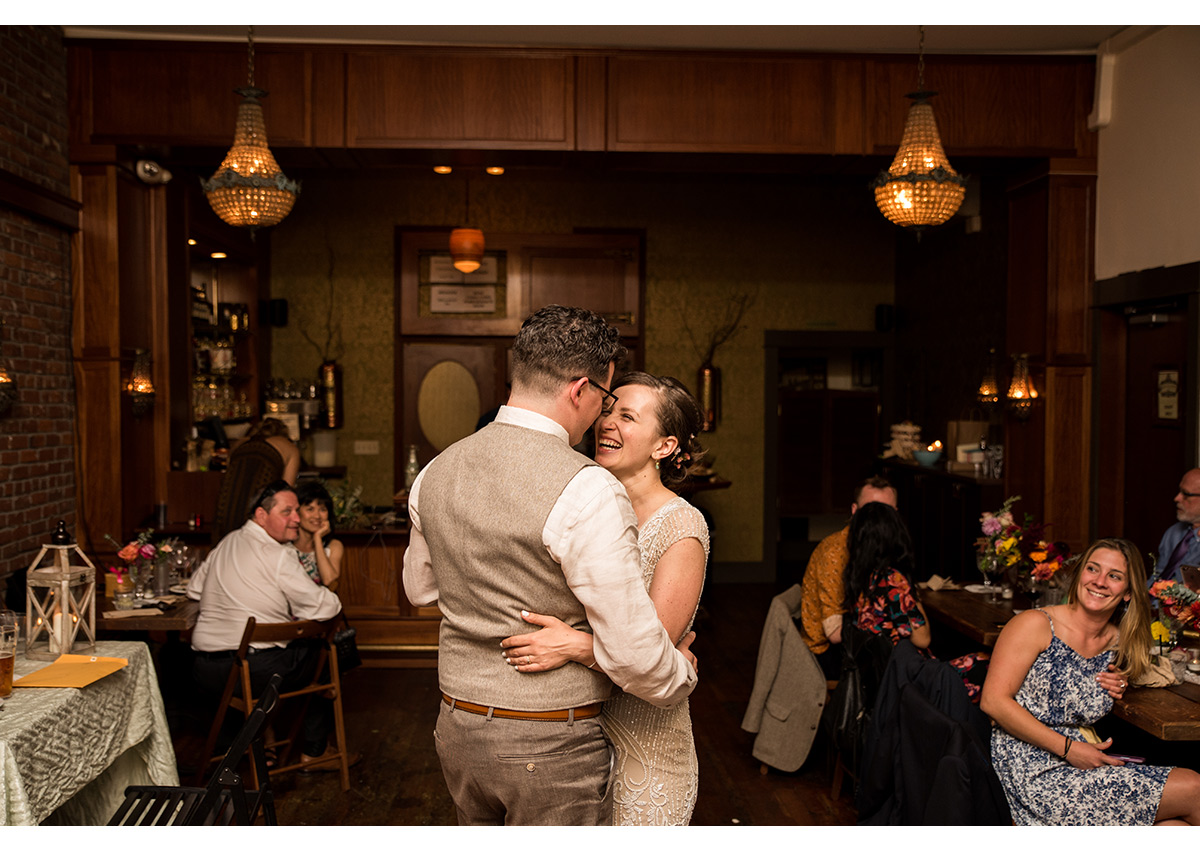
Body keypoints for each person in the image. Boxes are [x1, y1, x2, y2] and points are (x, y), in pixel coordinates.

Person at [402, 305, 698, 826]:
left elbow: (420, 589)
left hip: (456, 726)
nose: (603, 416)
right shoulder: (586, 487)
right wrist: (680, 675)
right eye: (607, 400)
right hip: (547, 740)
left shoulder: (436, 470)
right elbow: (635, 651)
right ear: (579, 390)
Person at [498, 371, 709, 825]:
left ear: (664, 446)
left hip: (645, 753)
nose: (608, 422)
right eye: (608, 409)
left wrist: (571, 645)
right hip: (575, 746)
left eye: (628, 416)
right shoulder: (587, 506)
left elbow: (649, 659)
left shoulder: (682, 529)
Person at [981, 538, 1200, 825]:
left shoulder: (1118, 642)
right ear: (1080, 575)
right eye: (1093, 569)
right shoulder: (1035, 624)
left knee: (1176, 830)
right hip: (1031, 768)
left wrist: (1122, 682)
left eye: (1114, 576)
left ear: (1127, 593)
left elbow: (1151, 669)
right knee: (1195, 788)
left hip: (1083, 762)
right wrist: (1069, 749)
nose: (1099, 582)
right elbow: (993, 702)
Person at [188, 480, 347, 770]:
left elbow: (194, 589)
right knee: (325, 653)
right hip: (256, 671)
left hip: (206, 670)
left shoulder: (228, 541)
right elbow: (327, 606)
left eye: (297, 511)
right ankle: (315, 751)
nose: (297, 519)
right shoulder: (278, 554)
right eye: (288, 512)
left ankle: (243, 748)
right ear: (261, 515)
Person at [843, 502, 989, 701]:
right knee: (989, 663)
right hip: (914, 683)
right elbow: (922, 638)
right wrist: (912, 594)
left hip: (885, 681)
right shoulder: (892, 580)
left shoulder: (858, 579)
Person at [799, 475, 898, 679]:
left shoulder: (892, 548)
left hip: (863, 638)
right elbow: (835, 633)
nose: (877, 522)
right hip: (827, 653)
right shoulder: (835, 553)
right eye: (870, 512)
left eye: (885, 514)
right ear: (854, 511)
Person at [211, 417, 301, 544]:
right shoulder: (289, 447)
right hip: (258, 510)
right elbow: (286, 494)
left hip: (228, 507)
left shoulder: (238, 445)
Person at [291, 479, 344, 592]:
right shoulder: (285, 546)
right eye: (310, 509)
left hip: (323, 606)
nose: (317, 516)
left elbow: (329, 580)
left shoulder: (334, 546)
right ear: (297, 512)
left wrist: (317, 539)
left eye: (322, 510)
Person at [1150, 468, 1200, 585]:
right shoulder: (1174, 533)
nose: (1177, 498)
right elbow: (1158, 576)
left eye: (1186, 494)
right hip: (1158, 600)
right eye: (1179, 492)